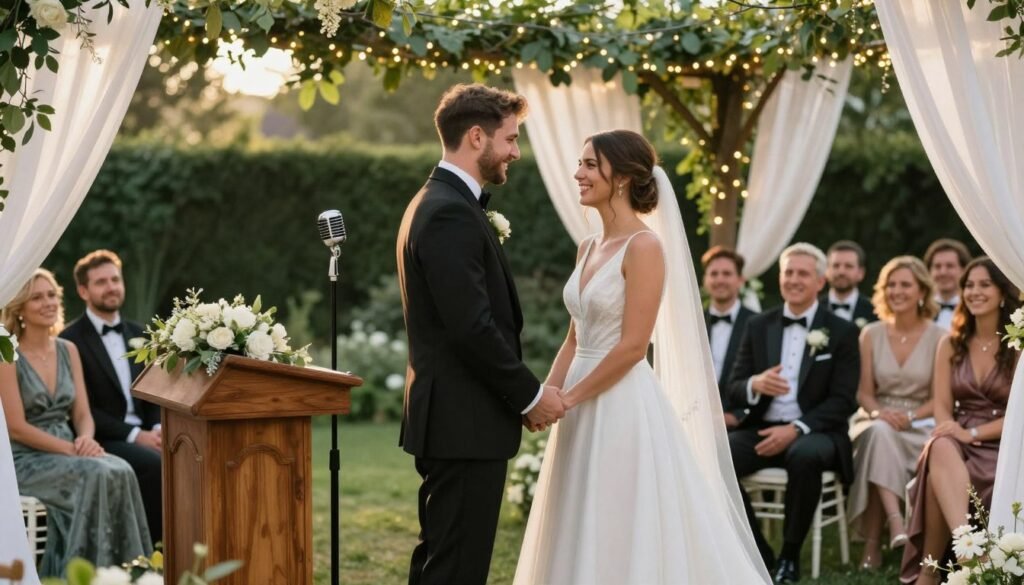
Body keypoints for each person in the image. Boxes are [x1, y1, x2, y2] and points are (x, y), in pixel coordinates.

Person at [513, 130, 769, 584]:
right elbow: (575, 338)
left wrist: (568, 399)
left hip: (618, 402)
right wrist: (543, 396)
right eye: (581, 163)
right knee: (575, 507)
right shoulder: (587, 246)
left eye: (590, 165)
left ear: (625, 178)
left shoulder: (645, 247)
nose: (578, 174)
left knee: (615, 513)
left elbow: (633, 347)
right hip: (578, 395)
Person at [396, 84, 565, 585]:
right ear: (476, 137)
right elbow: (472, 328)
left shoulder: (437, 200)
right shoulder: (448, 211)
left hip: (453, 420)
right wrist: (530, 395)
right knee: (456, 568)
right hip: (463, 421)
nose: (515, 150)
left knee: (439, 558)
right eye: (510, 138)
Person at [0, 269, 151, 576]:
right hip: (27, 458)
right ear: (20, 308)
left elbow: (82, 414)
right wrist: (71, 448)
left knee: (122, 469)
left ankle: (128, 573)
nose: (48, 302)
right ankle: (82, 576)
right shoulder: (7, 357)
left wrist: (86, 438)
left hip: (71, 446)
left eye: (52, 295)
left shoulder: (68, 350)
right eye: (37, 297)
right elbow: (15, 427)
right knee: (95, 474)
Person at [727, 242, 860, 583]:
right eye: (788, 272)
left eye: (803, 273)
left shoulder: (843, 332)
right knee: (713, 455)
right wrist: (755, 383)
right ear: (780, 277)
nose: (794, 279)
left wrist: (798, 427)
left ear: (820, 282)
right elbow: (735, 385)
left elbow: (844, 400)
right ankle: (758, 551)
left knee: (804, 456)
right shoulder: (758, 325)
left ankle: (789, 556)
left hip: (817, 433)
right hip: (763, 428)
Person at [900, 257, 1020, 584]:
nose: (974, 291)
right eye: (969, 285)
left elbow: (1019, 414)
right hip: (956, 438)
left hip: (1006, 441)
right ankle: (968, 550)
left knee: (940, 457)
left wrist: (972, 433)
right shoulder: (950, 344)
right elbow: (941, 406)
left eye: (984, 285)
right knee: (939, 445)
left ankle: (930, 572)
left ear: (1001, 292)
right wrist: (955, 431)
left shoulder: (1018, 343)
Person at [846, 256, 944, 570]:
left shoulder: (940, 337)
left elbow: (940, 397)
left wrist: (911, 416)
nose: (897, 291)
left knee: (881, 444)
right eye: (891, 285)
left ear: (921, 292)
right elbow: (864, 393)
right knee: (878, 434)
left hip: (921, 423)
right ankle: (897, 525)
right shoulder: (870, 334)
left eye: (905, 284)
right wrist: (880, 413)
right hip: (875, 418)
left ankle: (874, 545)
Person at [60, 250, 162, 544]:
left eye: (115, 279)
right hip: (101, 438)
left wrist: (156, 430)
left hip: (146, 434)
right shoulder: (69, 341)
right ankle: (152, 555)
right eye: (101, 282)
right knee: (153, 466)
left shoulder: (140, 333)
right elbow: (81, 409)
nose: (111, 287)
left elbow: (153, 394)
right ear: (83, 290)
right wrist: (135, 436)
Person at [702, 246, 757, 428]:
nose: (719, 280)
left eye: (727, 274)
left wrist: (738, 416)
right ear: (705, 280)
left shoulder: (757, 324)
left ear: (740, 280)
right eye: (714, 274)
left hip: (739, 424)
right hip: (697, 419)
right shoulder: (693, 322)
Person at [822, 240, 877, 326]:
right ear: (827, 270)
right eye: (836, 265)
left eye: (848, 266)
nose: (841, 272)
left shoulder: (875, 311)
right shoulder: (814, 307)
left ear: (861, 273)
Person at [923, 238, 971, 330]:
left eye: (950, 266)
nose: (943, 272)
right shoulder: (917, 310)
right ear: (929, 271)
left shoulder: (975, 310)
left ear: (964, 270)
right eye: (937, 266)